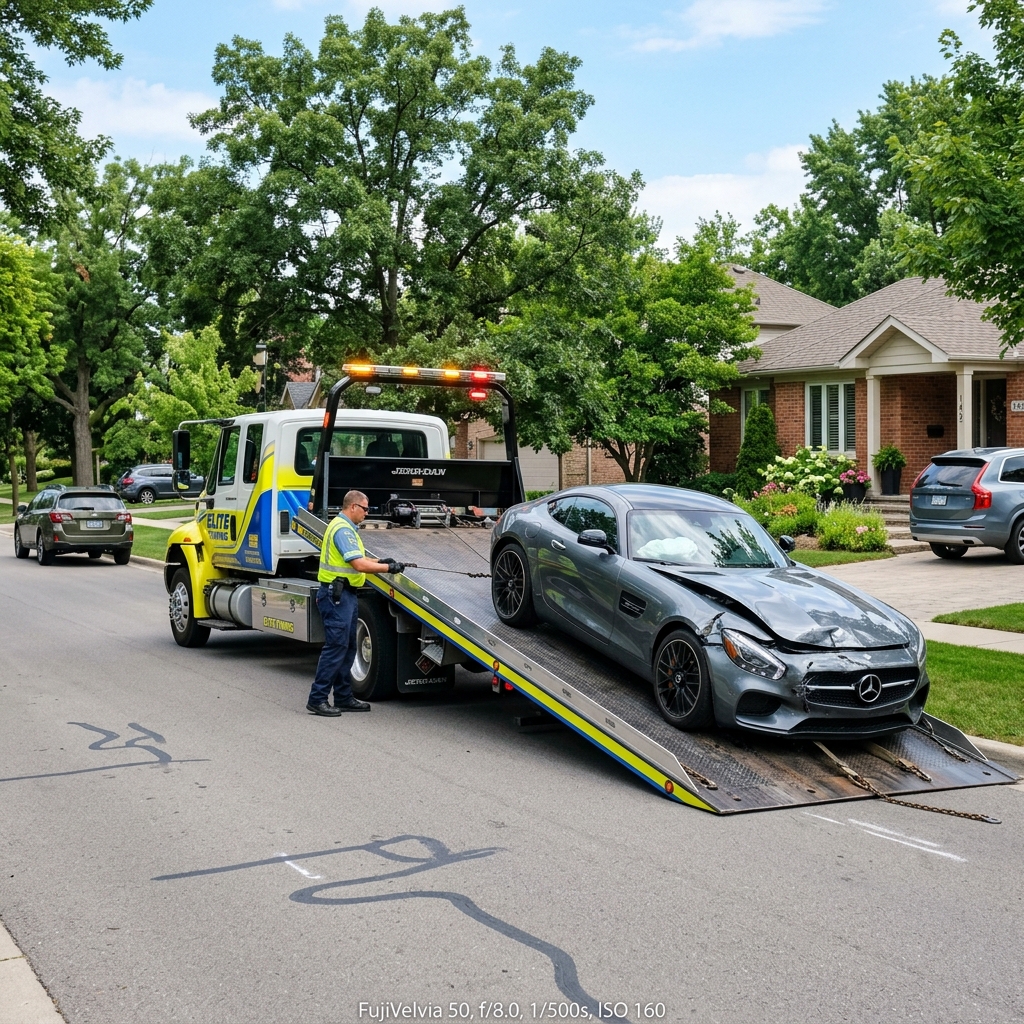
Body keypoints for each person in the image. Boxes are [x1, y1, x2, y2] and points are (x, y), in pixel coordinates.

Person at [306, 490, 405, 717]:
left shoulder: (346, 527)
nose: (367, 513)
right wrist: (388, 568)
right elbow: (359, 564)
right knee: (335, 648)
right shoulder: (342, 529)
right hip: (336, 596)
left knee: (348, 648)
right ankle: (317, 698)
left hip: (345, 595)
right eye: (365, 509)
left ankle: (343, 697)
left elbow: (358, 557)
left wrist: (381, 561)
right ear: (352, 507)